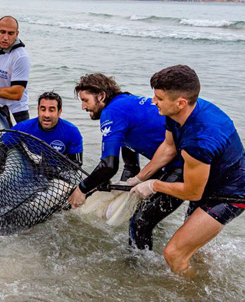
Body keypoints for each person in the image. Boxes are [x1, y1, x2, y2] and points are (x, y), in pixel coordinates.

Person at [129, 65, 245, 273]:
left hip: (229, 195)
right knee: (192, 249)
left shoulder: (198, 141)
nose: (153, 101)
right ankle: (203, 277)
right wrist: (139, 178)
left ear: (181, 102)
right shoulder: (176, 112)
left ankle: (190, 293)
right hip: (206, 183)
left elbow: (193, 192)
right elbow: (168, 148)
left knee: (174, 253)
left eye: (158, 98)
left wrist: (154, 185)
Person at [67, 73, 183, 250]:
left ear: (101, 96)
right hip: (172, 162)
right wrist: (110, 187)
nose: (83, 107)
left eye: (85, 100)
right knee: (147, 211)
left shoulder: (111, 113)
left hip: (184, 165)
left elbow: (108, 166)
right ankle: (158, 247)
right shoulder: (125, 103)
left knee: (139, 223)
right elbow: (131, 166)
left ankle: (138, 270)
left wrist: (81, 190)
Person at [12, 91, 83, 165]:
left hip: (58, 173)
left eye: (51, 110)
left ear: (59, 112)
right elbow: (2, 145)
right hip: (30, 170)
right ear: (38, 110)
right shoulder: (23, 128)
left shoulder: (72, 132)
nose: (46, 115)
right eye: (43, 109)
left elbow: (77, 163)